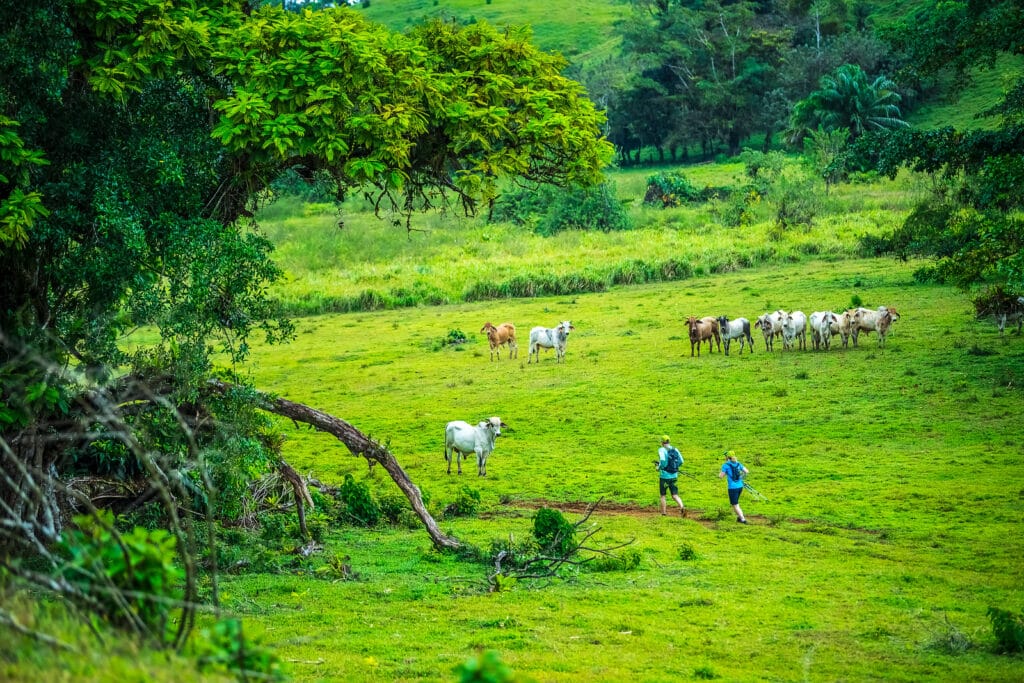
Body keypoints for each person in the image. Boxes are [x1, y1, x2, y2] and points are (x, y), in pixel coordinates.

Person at [655, 435, 685, 516]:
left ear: (662, 442)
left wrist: (659, 467)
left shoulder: (661, 450)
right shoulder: (675, 449)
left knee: (663, 495)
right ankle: (682, 507)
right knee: (675, 495)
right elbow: (681, 461)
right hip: (674, 476)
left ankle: (664, 513)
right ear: (669, 441)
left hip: (664, 477)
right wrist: (674, 468)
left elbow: (663, 460)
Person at [719, 450, 749, 524]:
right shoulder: (738, 464)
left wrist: (724, 473)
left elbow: (720, 476)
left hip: (732, 488)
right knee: (736, 503)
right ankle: (739, 517)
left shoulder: (726, 465)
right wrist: (741, 478)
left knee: (735, 505)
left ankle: (743, 519)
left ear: (727, 457)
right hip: (740, 487)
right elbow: (747, 471)